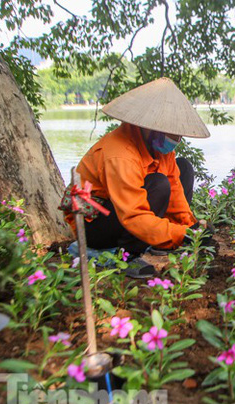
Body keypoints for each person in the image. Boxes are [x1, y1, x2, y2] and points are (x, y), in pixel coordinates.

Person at [64, 77, 211, 277]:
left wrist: (190, 227)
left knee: (183, 167)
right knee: (159, 184)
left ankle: (161, 240)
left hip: (118, 209)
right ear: (150, 127)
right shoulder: (120, 154)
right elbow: (133, 215)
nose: (176, 140)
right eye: (172, 133)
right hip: (92, 221)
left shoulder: (161, 151)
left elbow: (176, 192)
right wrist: (184, 235)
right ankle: (129, 255)